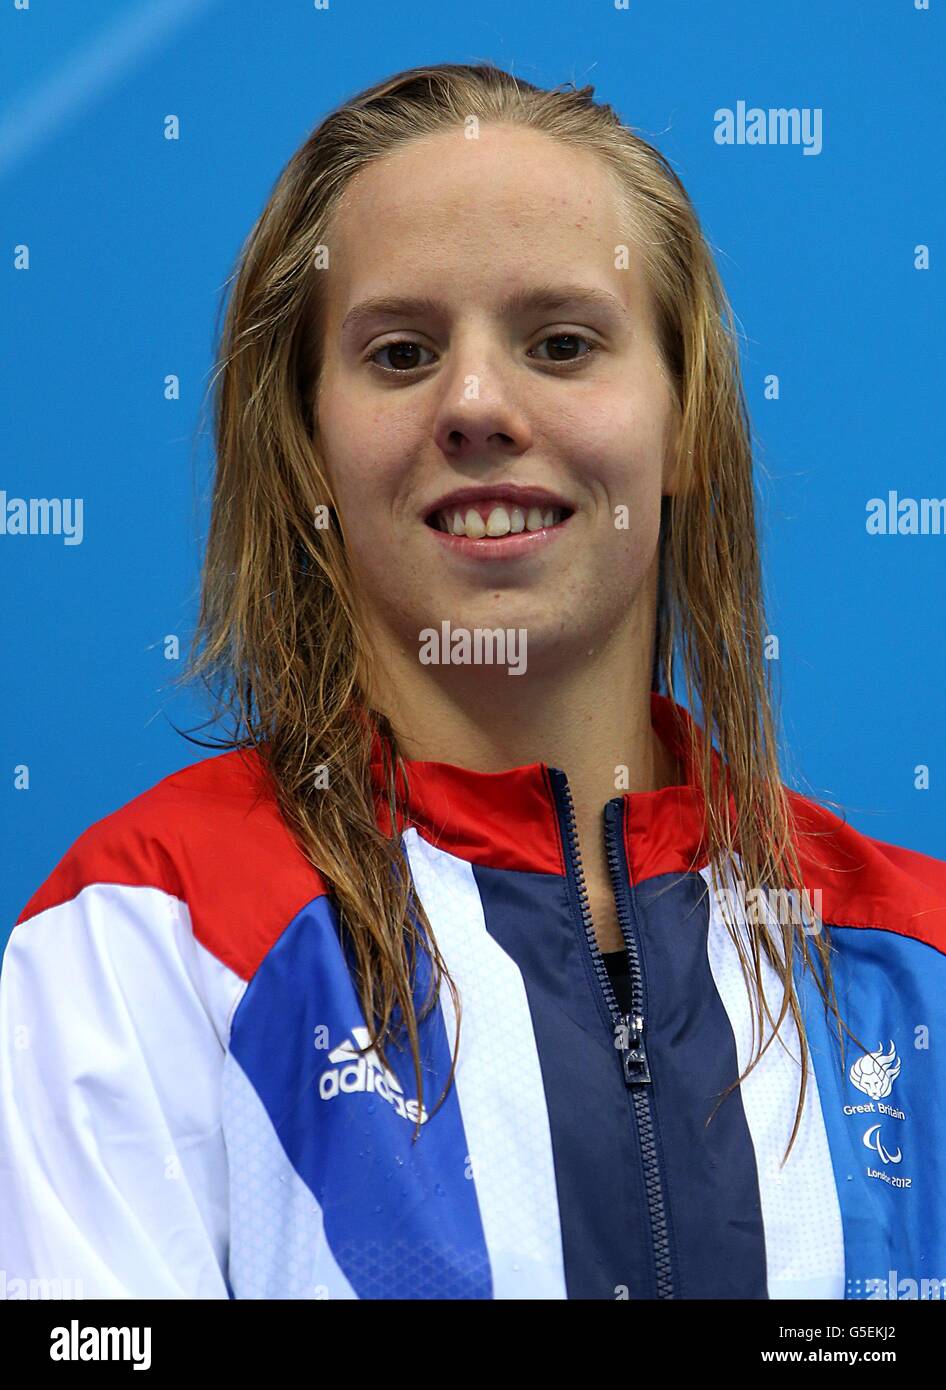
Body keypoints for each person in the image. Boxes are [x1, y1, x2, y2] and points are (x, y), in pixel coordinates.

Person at [2, 62, 944, 1302]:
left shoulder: (912, 960)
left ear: (688, 431)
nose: (476, 405)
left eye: (561, 342)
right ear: (308, 456)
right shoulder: (146, 941)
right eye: (399, 353)